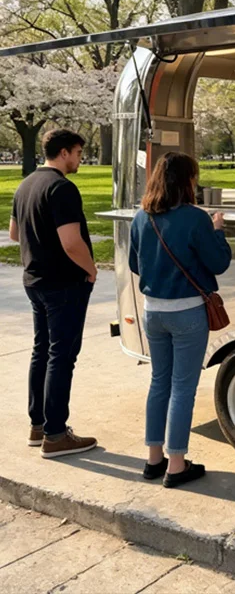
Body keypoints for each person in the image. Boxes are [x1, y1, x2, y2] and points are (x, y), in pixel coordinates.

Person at [129, 152, 232, 488]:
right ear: (187, 180)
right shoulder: (196, 218)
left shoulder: (141, 218)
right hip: (186, 312)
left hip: (152, 311)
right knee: (183, 387)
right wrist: (218, 231)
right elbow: (217, 263)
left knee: (159, 382)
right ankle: (176, 464)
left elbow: (135, 264)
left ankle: (153, 459)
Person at [9, 129, 98, 458]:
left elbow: (15, 234)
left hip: (35, 280)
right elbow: (72, 242)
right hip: (64, 283)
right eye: (77, 153)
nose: (79, 159)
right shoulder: (62, 188)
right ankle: (56, 434)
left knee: (42, 352)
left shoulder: (26, 185)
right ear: (64, 152)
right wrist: (91, 268)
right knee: (62, 356)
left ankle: (39, 425)